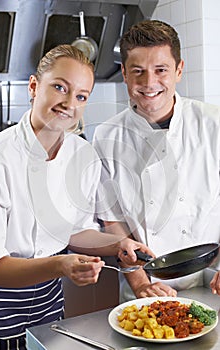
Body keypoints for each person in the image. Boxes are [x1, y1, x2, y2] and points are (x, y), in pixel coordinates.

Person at [0, 44, 154, 349]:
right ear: (34, 87)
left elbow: (75, 230)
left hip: (51, 304)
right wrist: (61, 265)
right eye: (59, 87)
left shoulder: (82, 154)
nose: (68, 103)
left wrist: (118, 244)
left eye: (80, 96)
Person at [93, 20, 220, 303]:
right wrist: (140, 284)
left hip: (213, 278)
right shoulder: (107, 136)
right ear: (124, 73)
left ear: (179, 70)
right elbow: (113, 220)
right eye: (138, 71)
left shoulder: (214, 124)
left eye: (161, 70)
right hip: (146, 283)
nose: (149, 83)